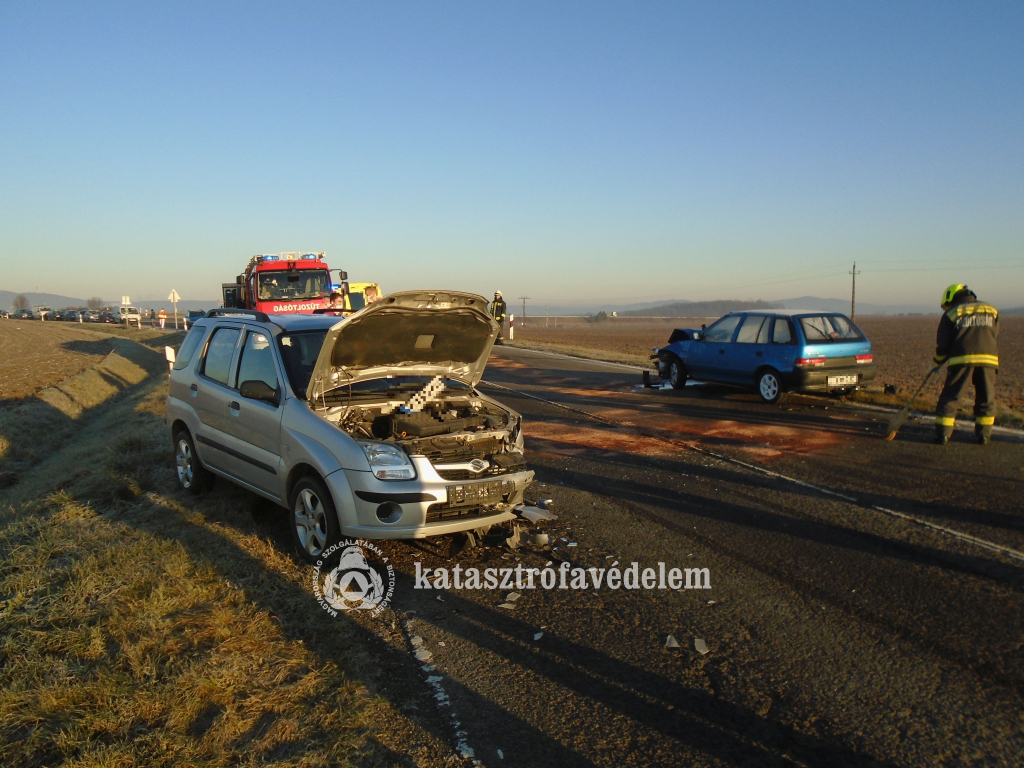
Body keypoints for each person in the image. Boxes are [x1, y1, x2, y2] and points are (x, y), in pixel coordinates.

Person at [932, 284, 999, 445]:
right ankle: (984, 435)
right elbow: (994, 335)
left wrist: (936, 363)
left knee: (951, 396)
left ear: (950, 297)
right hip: (988, 360)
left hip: (961, 360)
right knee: (986, 397)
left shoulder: (952, 313)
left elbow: (943, 345)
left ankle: (943, 435)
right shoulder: (991, 310)